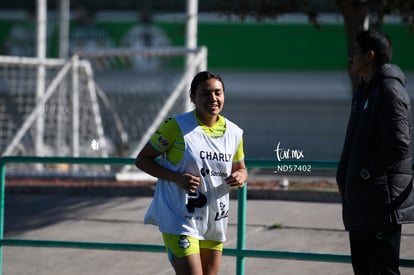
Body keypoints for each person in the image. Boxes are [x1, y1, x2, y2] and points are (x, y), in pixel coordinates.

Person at [135, 71, 248, 275]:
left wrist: (240, 176)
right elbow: (142, 160)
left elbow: (241, 169)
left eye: (218, 93)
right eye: (205, 93)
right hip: (180, 218)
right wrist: (176, 177)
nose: (213, 98)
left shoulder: (235, 133)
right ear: (193, 98)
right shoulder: (175, 126)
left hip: (214, 220)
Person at [336, 30, 414, 274]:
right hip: (361, 204)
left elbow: (399, 143)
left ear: (369, 56)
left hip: (380, 205)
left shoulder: (389, 90)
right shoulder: (364, 92)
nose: (351, 57)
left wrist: (367, 172)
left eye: (355, 52)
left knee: (382, 271)